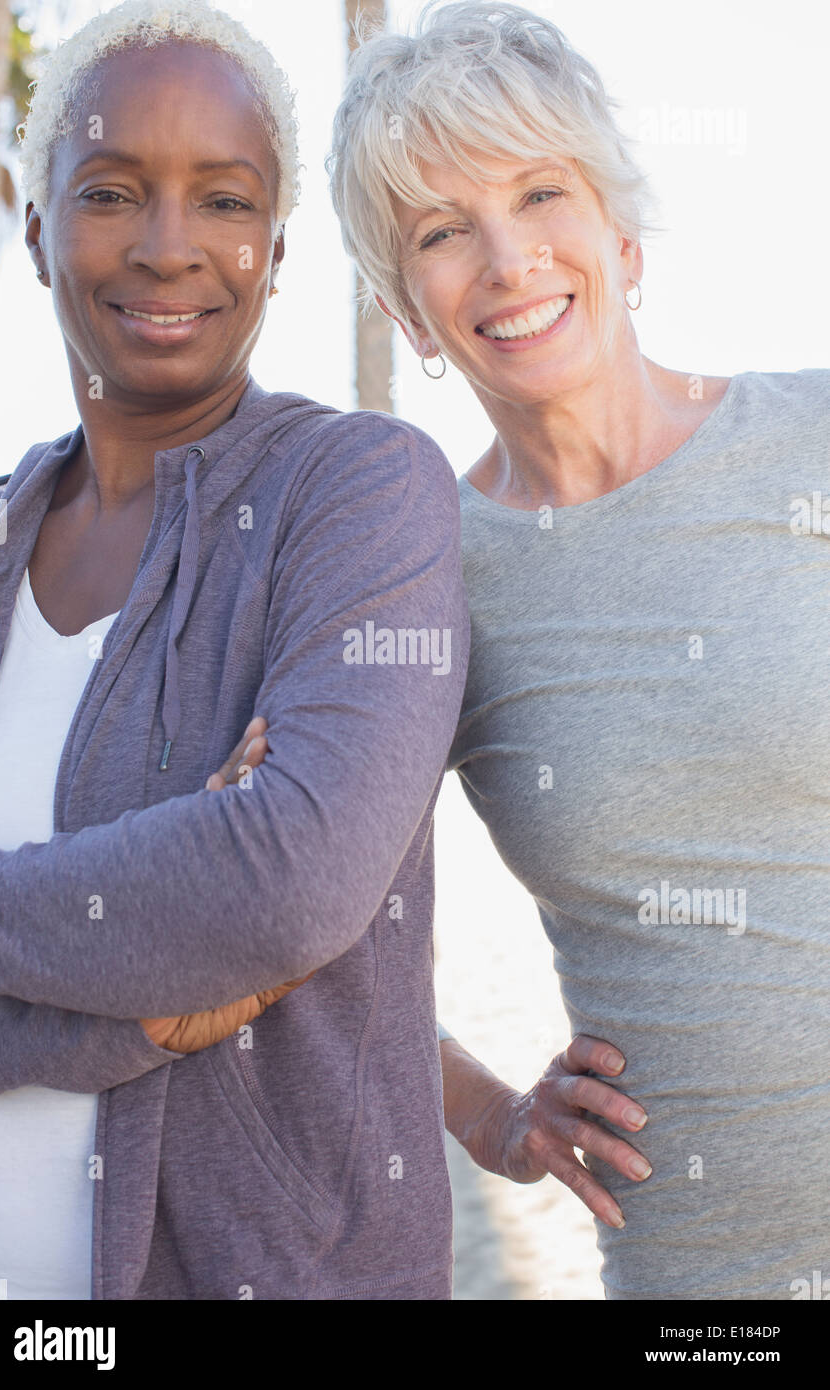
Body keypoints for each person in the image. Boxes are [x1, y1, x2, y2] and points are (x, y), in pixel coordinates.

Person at [0, 0, 476, 1301]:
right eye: (114, 190)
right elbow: (209, 906)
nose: (168, 245)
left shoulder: (356, 494)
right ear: (34, 228)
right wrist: (130, 1013)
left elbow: (283, 886)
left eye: (226, 201)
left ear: (278, 247)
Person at [326, 0, 830, 1299]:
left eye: (537, 191)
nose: (505, 260)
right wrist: (490, 1113)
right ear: (409, 311)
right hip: (705, 1275)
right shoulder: (422, 569)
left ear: (618, 228)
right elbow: (309, 920)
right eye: (442, 231)